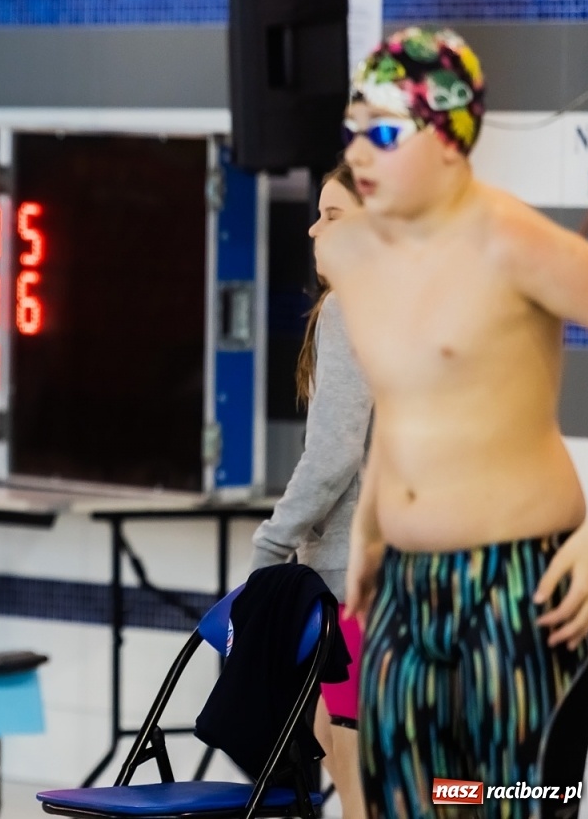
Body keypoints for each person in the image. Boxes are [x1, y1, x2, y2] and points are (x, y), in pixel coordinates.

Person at [328, 28, 588, 816]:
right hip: (407, 592)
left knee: (512, 802)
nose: (361, 154)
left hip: (519, 590)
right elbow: (403, 402)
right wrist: (370, 532)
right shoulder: (354, 256)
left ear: (450, 139)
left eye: (383, 133)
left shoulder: (515, 244)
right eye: (353, 131)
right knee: (413, 802)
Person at [250, 162, 368, 819]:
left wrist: (271, 544)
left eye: (334, 215)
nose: (313, 227)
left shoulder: (353, 307)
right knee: (331, 745)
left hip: (356, 589)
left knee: (358, 793)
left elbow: (332, 455)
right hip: (406, 583)